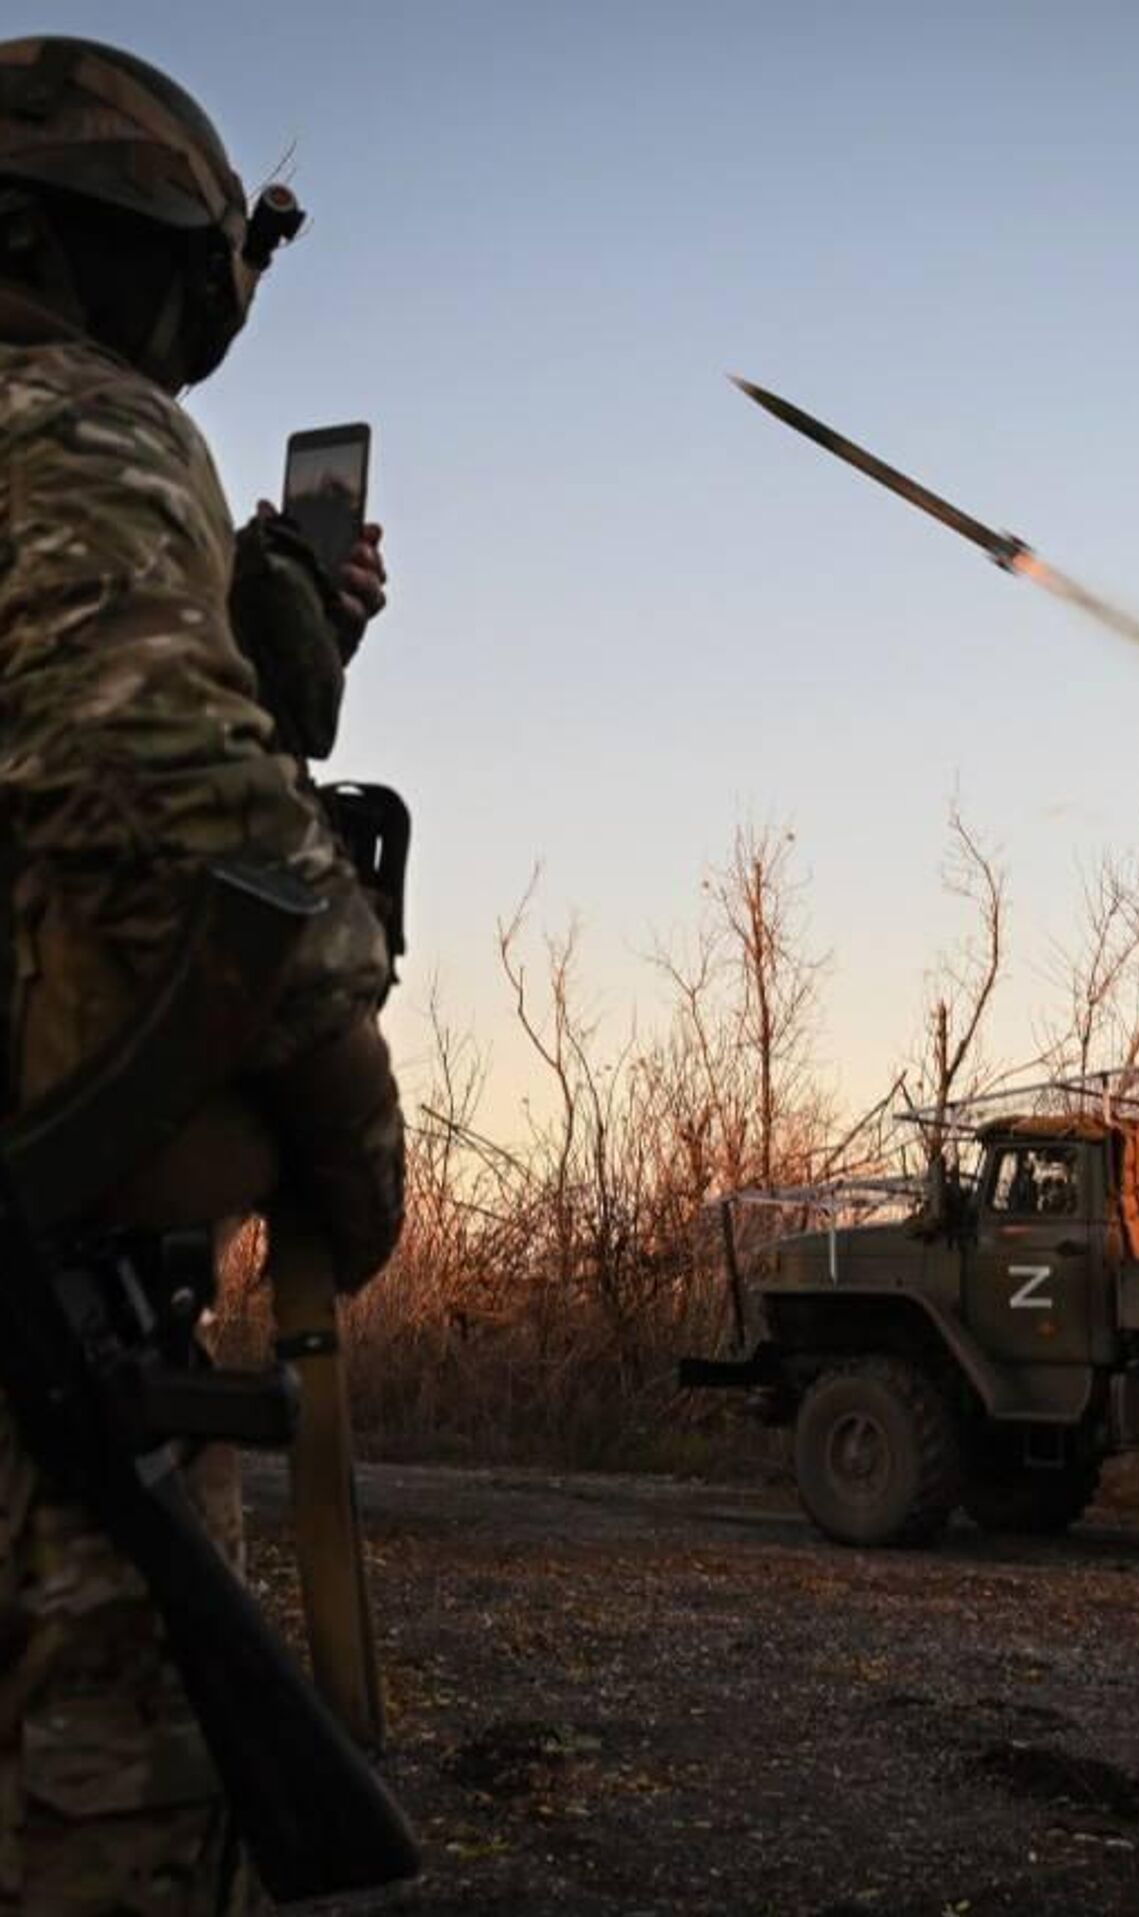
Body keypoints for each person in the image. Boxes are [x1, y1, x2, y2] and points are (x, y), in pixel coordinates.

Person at [0, 35, 404, 1912]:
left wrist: (279, 638)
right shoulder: (64, 414)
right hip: (53, 1345)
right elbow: (173, 796)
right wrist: (349, 1115)